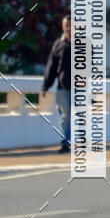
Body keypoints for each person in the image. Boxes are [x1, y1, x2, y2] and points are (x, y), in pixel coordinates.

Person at [41, 16, 72, 153]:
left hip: (81, 88)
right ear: (63, 27)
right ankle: (66, 143)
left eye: (72, 25)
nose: (69, 28)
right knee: (64, 116)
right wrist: (45, 86)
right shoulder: (58, 45)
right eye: (67, 25)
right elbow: (51, 67)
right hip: (62, 86)